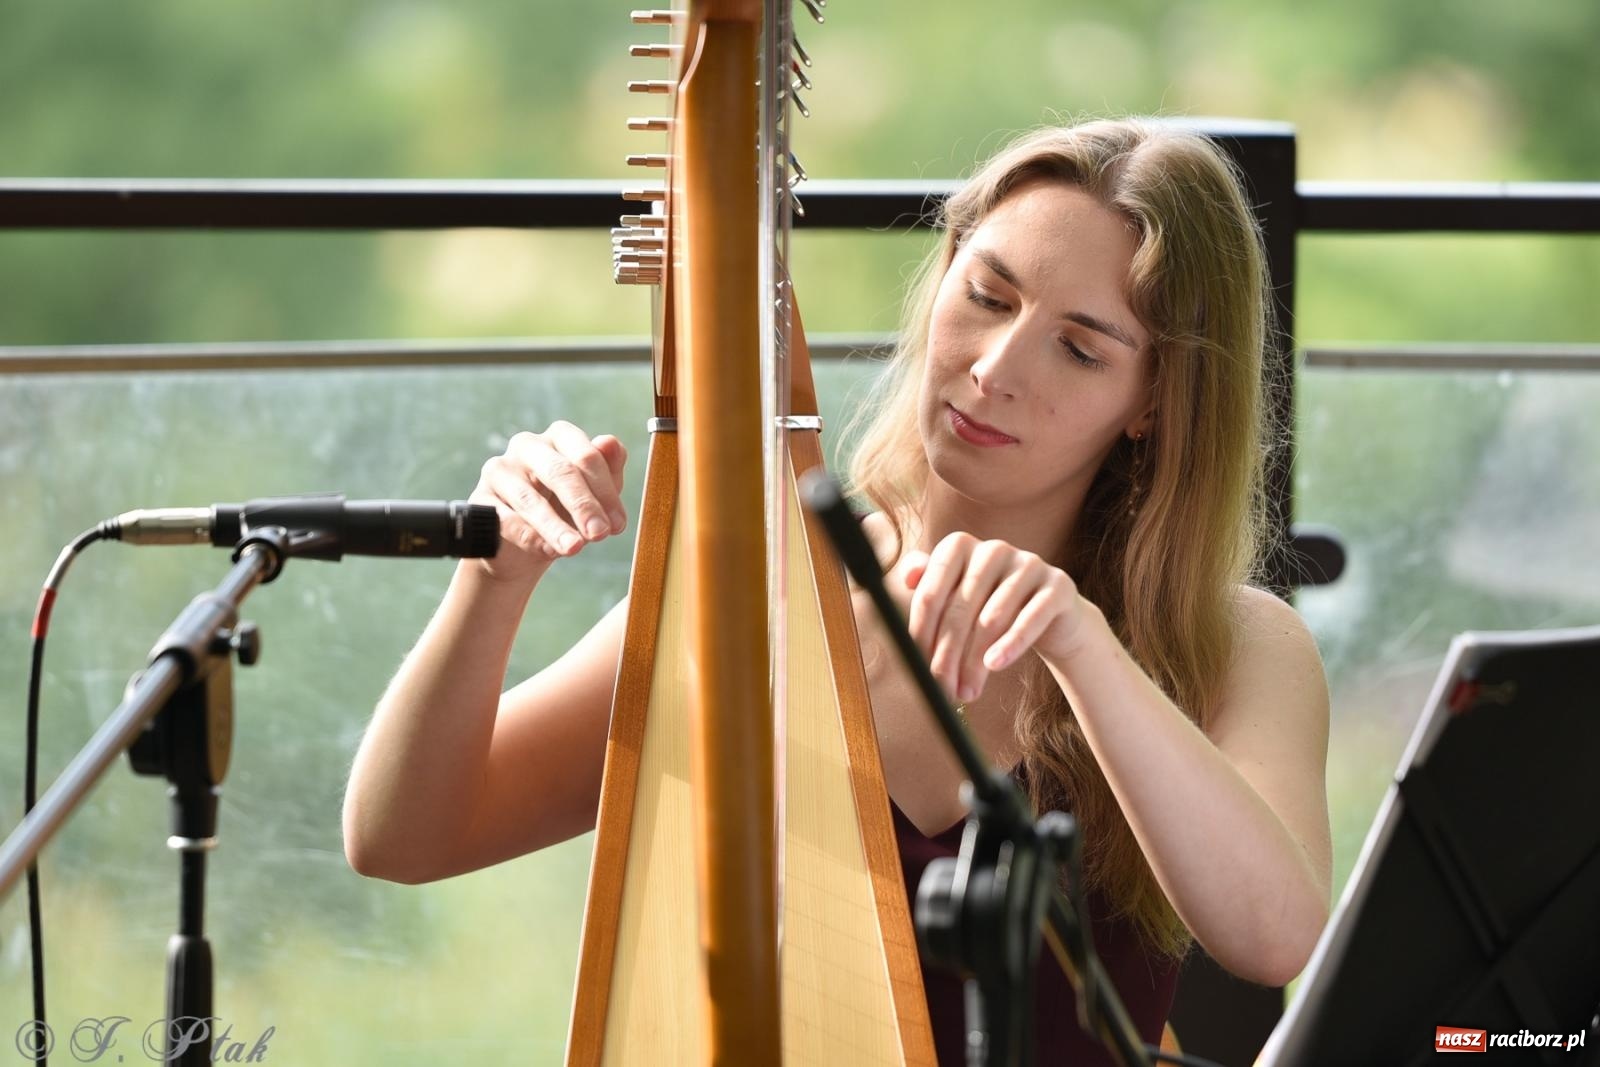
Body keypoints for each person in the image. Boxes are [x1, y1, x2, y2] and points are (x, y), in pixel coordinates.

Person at [342, 117, 1333, 1064]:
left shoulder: (1236, 642)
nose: (993, 370)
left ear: (1154, 402)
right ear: (942, 274)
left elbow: (1270, 935)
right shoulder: (762, 589)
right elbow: (403, 833)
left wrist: (1081, 647)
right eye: (986, 295)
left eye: (1078, 348)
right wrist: (493, 579)